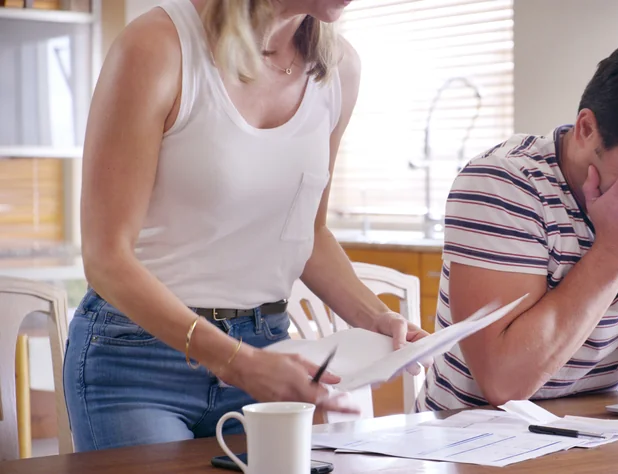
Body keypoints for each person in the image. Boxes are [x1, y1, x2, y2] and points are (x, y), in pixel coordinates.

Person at [63, 0, 429, 451]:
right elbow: (106, 257)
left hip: (268, 353)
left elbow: (308, 234)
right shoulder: (159, 46)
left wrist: (377, 317)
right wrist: (234, 361)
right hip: (140, 358)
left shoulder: (338, 70)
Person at [416, 39, 618, 412]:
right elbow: (504, 382)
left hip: (592, 434)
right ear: (586, 128)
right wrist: (616, 250)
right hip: (467, 440)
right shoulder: (503, 182)